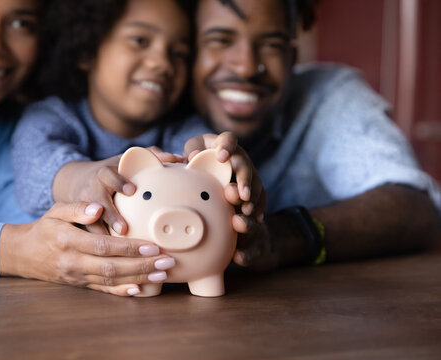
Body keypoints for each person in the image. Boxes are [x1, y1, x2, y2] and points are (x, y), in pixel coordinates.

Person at [0, 0, 174, 297]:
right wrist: (13, 250)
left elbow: (30, 227)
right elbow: (25, 244)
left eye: (22, 23)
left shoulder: (12, 120)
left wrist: (86, 245)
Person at [186, 0, 441, 272]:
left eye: (272, 45)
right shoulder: (154, 105)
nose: (247, 67)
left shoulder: (329, 97)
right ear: (186, 52)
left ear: (291, 59)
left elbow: (415, 210)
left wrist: (280, 236)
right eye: (221, 41)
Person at [11, 0, 260, 236]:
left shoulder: (183, 129)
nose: (162, 63)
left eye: (179, 54)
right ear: (87, 50)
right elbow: (35, 171)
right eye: (140, 40)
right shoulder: (48, 118)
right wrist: (84, 181)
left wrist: (223, 166)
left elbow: (202, 164)